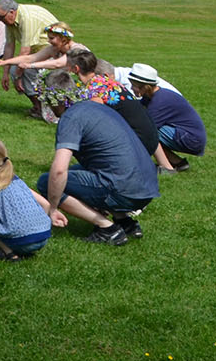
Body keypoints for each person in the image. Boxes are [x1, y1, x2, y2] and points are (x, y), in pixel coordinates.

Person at [35, 73, 159, 245]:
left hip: (127, 190)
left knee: (47, 182)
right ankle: (125, 222)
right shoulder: (98, 107)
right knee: (77, 172)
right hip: (148, 185)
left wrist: (53, 207)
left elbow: (59, 170)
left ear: (53, 99)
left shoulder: (70, 118)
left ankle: (108, 228)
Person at [0, 22, 112, 121]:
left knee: (54, 77)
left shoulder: (77, 49)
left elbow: (58, 63)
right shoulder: (54, 49)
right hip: (68, 83)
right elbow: (31, 57)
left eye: (52, 38)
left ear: (63, 39)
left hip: (87, 84)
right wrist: (5, 62)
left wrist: (30, 65)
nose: (49, 41)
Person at [0, 137, 55, 259]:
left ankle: (9, 253)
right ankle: (22, 244)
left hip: (22, 242)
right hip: (43, 237)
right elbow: (45, 204)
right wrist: (34, 226)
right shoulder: (13, 178)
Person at [70, 50, 160, 164]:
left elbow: (94, 123)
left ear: (76, 69)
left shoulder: (93, 91)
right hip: (150, 139)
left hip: (138, 145)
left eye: (68, 67)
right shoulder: (106, 82)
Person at [127, 63, 206, 171]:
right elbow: (136, 110)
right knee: (146, 130)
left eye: (134, 86)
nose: (132, 88)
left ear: (145, 87)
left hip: (191, 139)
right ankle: (178, 163)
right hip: (187, 135)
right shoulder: (151, 96)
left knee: (147, 132)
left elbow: (145, 128)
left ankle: (165, 168)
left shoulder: (159, 101)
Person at [0, 0, 58, 101]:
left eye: (1, 17)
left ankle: (43, 106)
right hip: (37, 53)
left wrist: (18, 77)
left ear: (11, 12)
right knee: (13, 70)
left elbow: (25, 51)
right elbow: (9, 46)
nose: (0, 20)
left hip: (53, 52)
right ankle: (37, 105)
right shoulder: (10, 21)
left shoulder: (27, 18)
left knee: (27, 71)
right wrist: (5, 73)